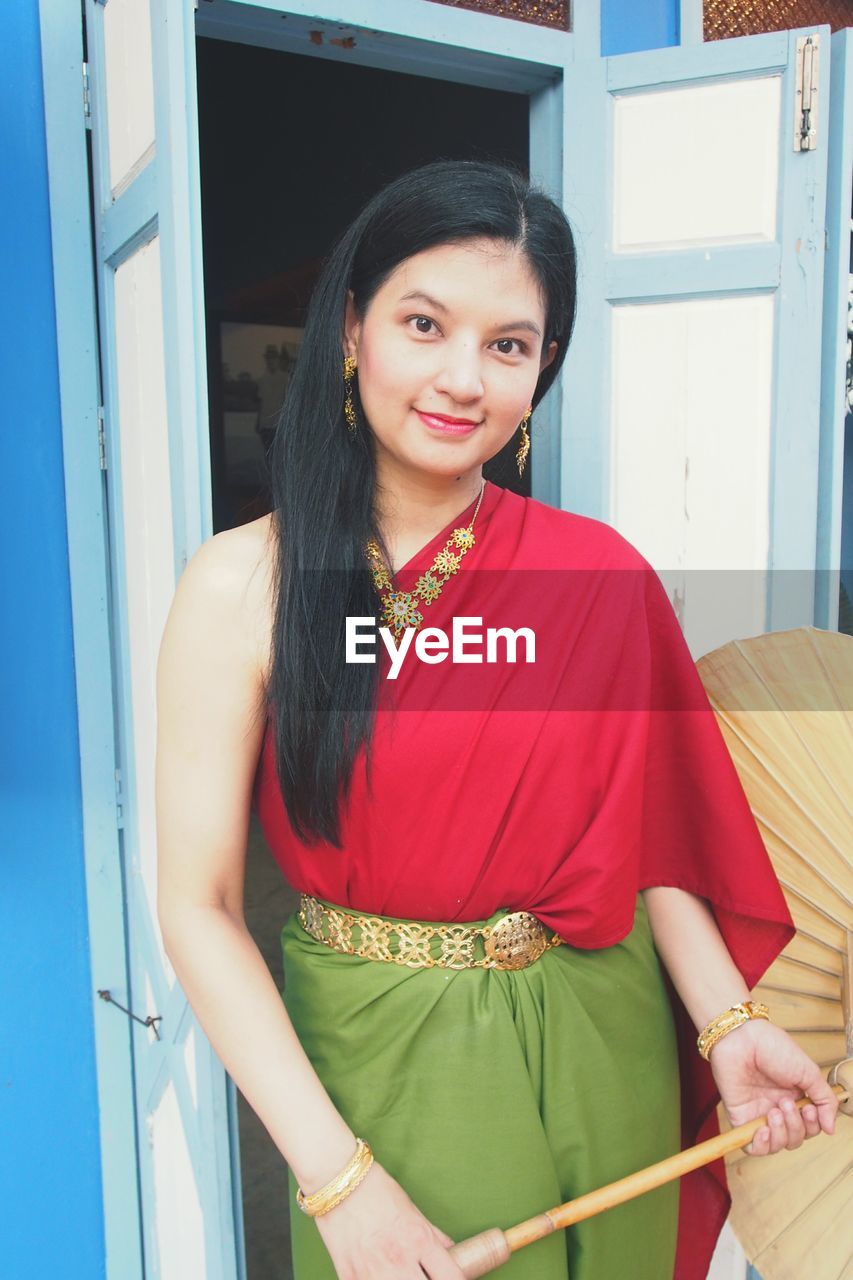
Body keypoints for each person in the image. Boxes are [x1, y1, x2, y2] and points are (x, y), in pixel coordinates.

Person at [155, 160, 839, 1280]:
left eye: (509, 345)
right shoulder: (241, 586)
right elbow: (199, 907)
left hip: (598, 1037)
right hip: (382, 1064)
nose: (462, 377)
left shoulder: (599, 576)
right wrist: (339, 1181)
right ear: (351, 331)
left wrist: (728, 1029)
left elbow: (653, 841)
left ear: (542, 369)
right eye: (424, 323)